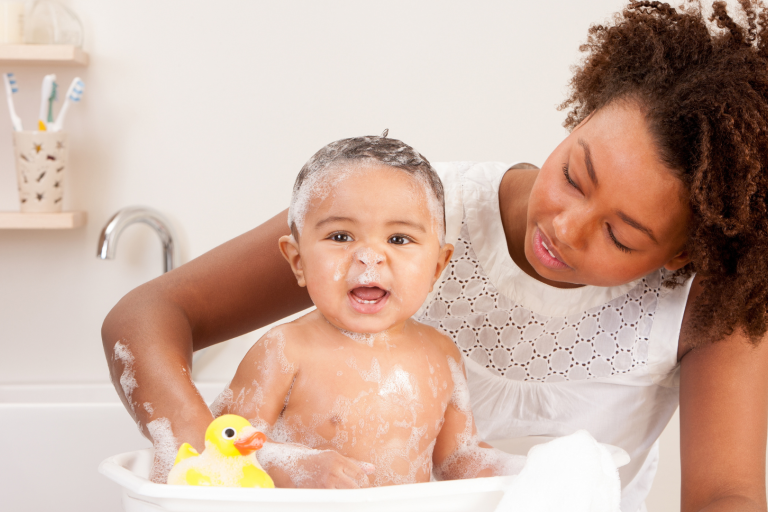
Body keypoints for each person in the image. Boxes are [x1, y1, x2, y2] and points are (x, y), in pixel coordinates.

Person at [102, 1, 768, 509]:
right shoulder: (405, 213)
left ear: (683, 255)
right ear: (583, 113)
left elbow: (726, 497)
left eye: (620, 235)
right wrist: (201, 467)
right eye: (574, 173)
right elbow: (149, 315)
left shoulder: (713, 300)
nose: (565, 226)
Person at [204, 136, 522, 487]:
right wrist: (298, 467)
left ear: (437, 266)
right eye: (341, 236)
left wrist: (533, 470)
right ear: (298, 261)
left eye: (399, 239)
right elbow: (222, 448)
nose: (370, 256)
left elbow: (457, 458)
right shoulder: (285, 350)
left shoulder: (441, 355)